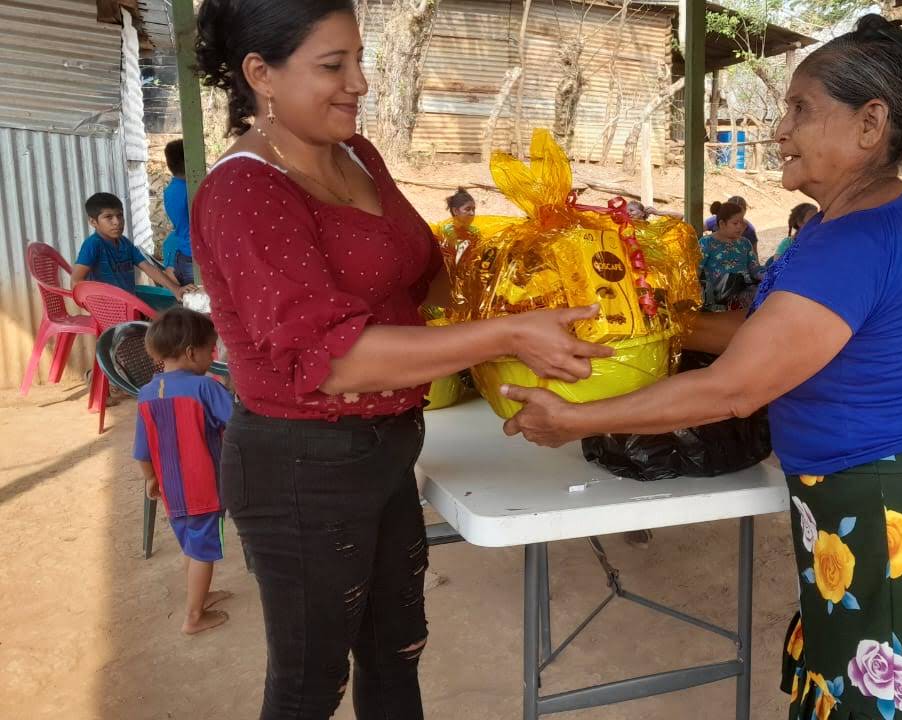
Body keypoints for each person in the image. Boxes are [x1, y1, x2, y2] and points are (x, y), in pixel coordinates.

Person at [501, 15, 902, 720]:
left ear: (870, 124)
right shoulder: (858, 221)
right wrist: (645, 320)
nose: (778, 130)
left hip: (889, 503)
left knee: (874, 699)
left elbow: (734, 389)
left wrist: (572, 420)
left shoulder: (855, 241)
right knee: (847, 674)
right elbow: (766, 335)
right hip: (878, 489)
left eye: (800, 110)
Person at [191, 2, 611, 716]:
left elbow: (418, 272)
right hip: (302, 467)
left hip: (387, 447)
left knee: (396, 656)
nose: (359, 82)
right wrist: (507, 338)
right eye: (333, 66)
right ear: (260, 74)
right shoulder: (243, 192)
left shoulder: (356, 153)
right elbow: (338, 360)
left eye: (360, 59)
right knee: (307, 688)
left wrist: (524, 278)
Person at [134, 308, 234, 635]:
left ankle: (199, 598)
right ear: (192, 352)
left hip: (171, 490)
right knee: (204, 552)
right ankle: (193, 617)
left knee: (191, 547)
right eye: (211, 349)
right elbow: (238, 424)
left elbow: (141, 449)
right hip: (205, 488)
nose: (213, 355)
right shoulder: (206, 388)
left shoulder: (146, 394)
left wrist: (150, 478)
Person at [71, 192, 194, 299]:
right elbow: (76, 281)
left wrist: (176, 289)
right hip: (107, 310)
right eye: (108, 217)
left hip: (128, 303)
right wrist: (96, 302)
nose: (117, 222)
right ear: (93, 222)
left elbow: (148, 268)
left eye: (119, 215)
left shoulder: (125, 243)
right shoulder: (92, 244)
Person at [699, 200, 761, 311]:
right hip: (719, 293)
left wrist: (768, 277)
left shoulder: (745, 243)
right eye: (735, 223)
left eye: (742, 223)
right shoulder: (707, 242)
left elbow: (755, 268)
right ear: (722, 224)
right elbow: (696, 270)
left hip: (745, 288)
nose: (740, 227)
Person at [162, 140, 196, 286]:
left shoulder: (170, 190)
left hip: (183, 255)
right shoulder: (191, 191)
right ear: (188, 160)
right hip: (194, 258)